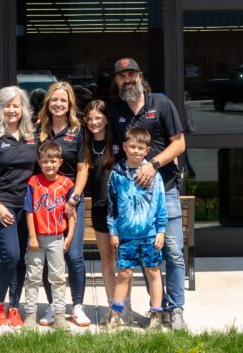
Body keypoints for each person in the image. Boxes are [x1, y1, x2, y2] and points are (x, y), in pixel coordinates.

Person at [109, 56, 188, 330]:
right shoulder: (115, 110)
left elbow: (179, 144)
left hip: (165, 189)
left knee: (173, 252)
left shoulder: (161, 104)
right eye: (122, 76)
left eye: (131, 75)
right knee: (147, 256)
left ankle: (176, 309)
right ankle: (159, 308)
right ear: (116, 81)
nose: (127, 80)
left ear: (140, 76)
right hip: (134, 200)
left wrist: (153, 164)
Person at [0, 86, 39, 328]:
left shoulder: (32, 135)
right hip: (2, 204)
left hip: (27, 205)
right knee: (11, 254)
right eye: (7, 106)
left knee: (21, 257)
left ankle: (14, 307)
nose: (12, 110)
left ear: (24, 109)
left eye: (16, 105)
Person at [35, 80, 90, 326]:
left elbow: (83, 168)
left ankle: (77, 306)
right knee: (50, 255)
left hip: (70, 199)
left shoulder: (79, 131)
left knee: (74, 255)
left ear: (70, 104)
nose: (58, 104)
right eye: (54, 99)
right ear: (48, 102)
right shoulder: (38, 130)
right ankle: (53, 306)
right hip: (45, 201)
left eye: (63, 100)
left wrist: (74, 198)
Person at [104, 125, 168, 332]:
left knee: (153, 272)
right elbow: (112, 206)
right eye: (132, 147)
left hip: (150, 234)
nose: (136, 151)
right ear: (124, 147)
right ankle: (115, 314)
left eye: (141, 148)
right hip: (126, 235)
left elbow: (160, 205)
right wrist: (113, 231)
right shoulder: (117, 174)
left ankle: (156, 316)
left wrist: (161, 230)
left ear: (147, 150)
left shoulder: (153, 175)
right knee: (124, 273)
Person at [22, 140, 74, 330]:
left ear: (60, 162)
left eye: (53, 161)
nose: (49, 165)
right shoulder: (34, 182)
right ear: (39, 162)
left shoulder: (66, 184)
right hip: (37, 238)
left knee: (58, 278)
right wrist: (32, 236)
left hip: (57, 238)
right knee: (33, 276)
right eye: (45, 161)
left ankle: (59, 314)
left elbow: (71, 214)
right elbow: (29, 211)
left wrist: (69, 236)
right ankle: (30, 314)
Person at [83, 99, 117, 309]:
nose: (94, 122)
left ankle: (125, 306)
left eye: (98, 118)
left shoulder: (118, 142)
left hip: (121, 209)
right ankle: (112, 306)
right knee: (107, 258)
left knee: (123, 261)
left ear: (106, 119)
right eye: (90, 118)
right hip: (99, 207)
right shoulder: (84, 144)